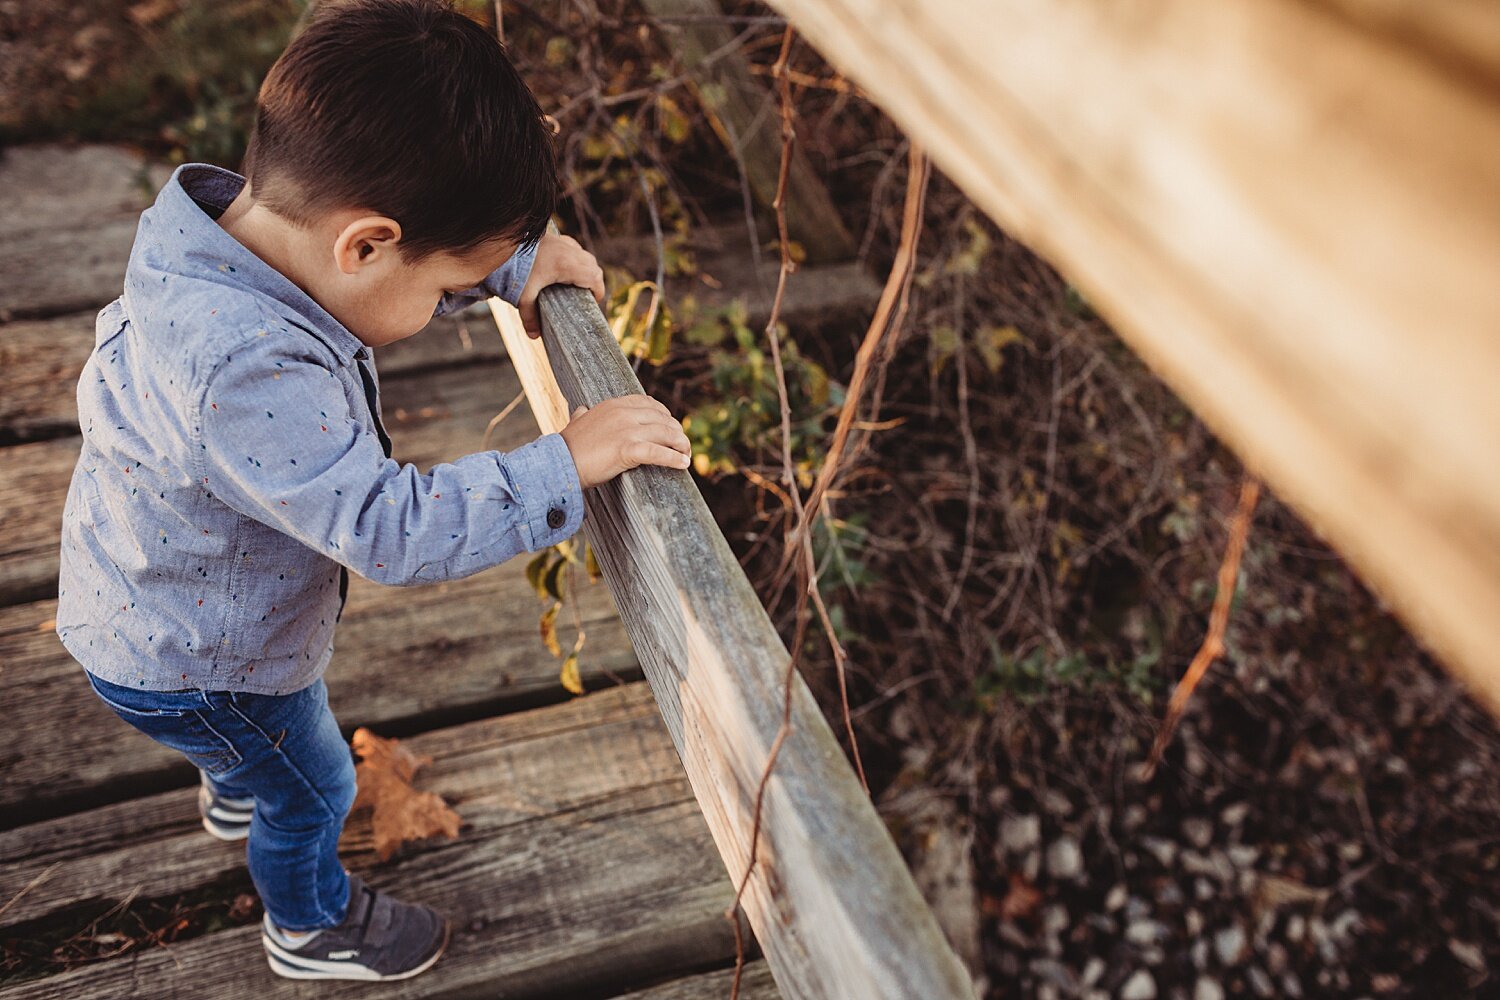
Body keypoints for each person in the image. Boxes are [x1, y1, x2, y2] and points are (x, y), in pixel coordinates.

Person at [54, 0, 691, 982]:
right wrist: (564, 459)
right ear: (363, 245)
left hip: (149, 596)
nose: (447, 305)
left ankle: (236, 772)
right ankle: (308, 925)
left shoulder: (213, 235)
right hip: (202, 656)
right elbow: (386, 529)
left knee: (254, 752)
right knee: (314, 787)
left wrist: (504, 263)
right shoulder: (248, 376)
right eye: (447, 291)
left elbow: (394, 244)